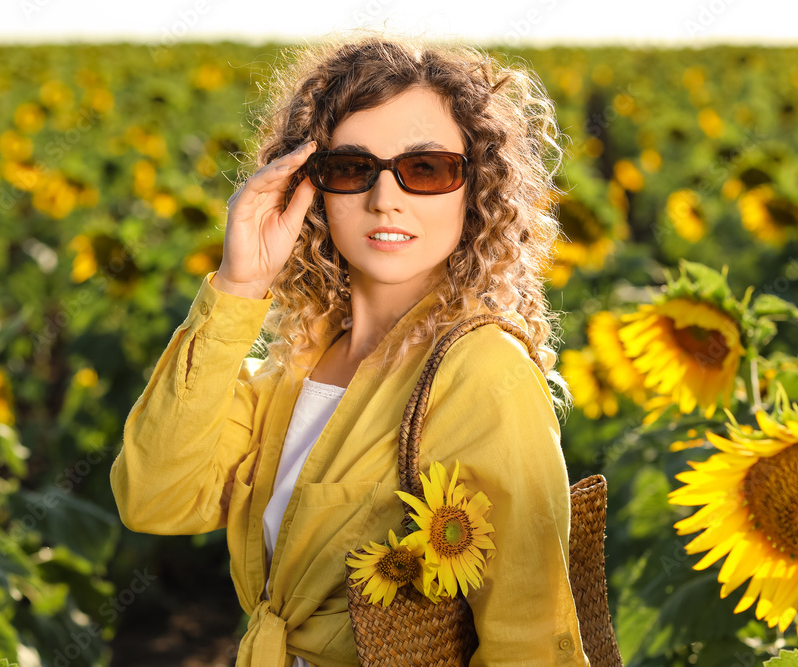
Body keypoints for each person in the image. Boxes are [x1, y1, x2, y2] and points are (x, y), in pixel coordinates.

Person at [110, 31, 591, 666]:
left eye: (426, 168)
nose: (384, 197)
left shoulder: (484, 373)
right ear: (312, 189)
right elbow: (156, 498)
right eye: (352, 168)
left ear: (475, 190)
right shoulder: (292, 368)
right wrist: (240, 285)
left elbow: (531, 640)